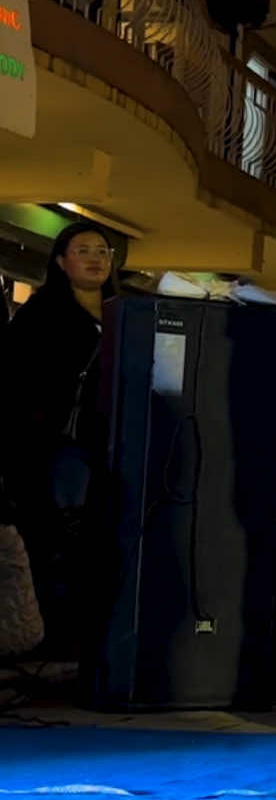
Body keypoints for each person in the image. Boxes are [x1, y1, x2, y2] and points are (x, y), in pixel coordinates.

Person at [0, 223, 116, 660]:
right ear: (61, 260)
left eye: (102, 251)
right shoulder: (42, 314)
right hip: (56, 450)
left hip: (110, 447)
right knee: (60, 543)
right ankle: (57, 641)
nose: (94, 259)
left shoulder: (123, 312)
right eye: (82, 250)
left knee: (99, 545)